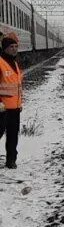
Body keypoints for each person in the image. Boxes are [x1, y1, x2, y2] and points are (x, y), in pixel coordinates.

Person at [0, 34, 23, 169]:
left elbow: (18, 85)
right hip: (2, 108)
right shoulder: (1, 62)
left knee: (13, 135)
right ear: (5, 48)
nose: (14, 49)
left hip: (15, 107)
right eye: (11, 47)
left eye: (16, 47)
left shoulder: (14, 63)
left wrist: (20, 104)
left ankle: (11, 160)